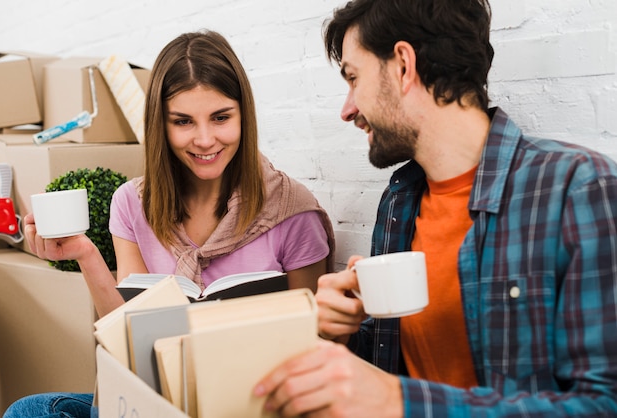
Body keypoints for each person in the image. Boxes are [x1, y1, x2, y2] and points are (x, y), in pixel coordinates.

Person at [254, 0, 617, 416]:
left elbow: (603, 404)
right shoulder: (399, 199)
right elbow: (393, 362)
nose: (347, 109)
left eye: (354, 78)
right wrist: (343, 333)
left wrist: (398, 401)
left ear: (404, 66)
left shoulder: (578, 188)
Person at [3, 29, 335, 418]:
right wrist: (86, 255)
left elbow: (319, 342)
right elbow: (128, 340)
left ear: (244, 115)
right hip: (157, 400)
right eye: (183, 121)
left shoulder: (293, 212)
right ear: (160, 125)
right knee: (29, 411)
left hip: (251, 403)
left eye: (221, 118)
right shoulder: (132, 203)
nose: (206, 139)